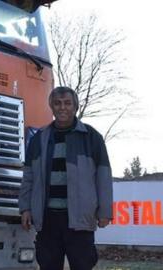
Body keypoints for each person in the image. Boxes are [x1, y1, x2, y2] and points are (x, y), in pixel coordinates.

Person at [18, 86, 113, 270]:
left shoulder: (91, 137)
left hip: (80, 221)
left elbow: (103, 177)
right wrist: (25, 208)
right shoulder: (39, 139)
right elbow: (28, 176)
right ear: (51, 107)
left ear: (75, 106)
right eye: (57, 103)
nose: (62, 108)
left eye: (67, 103)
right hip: (47, 220)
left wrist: (105, 212)